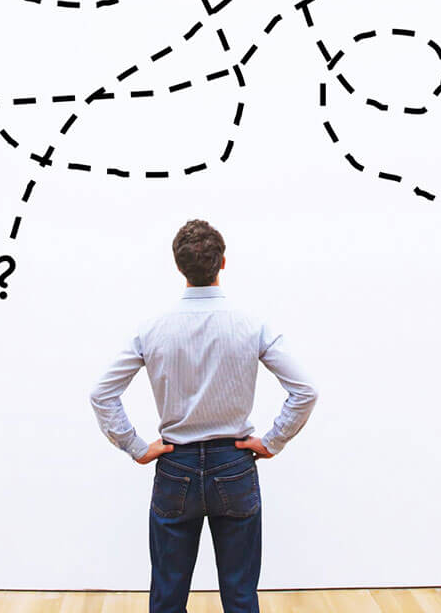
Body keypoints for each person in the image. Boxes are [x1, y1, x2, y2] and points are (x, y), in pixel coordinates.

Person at [89, 218, 319, 613]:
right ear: (223, 263)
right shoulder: (251, 324)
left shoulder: (153, 329)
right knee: (241, 595)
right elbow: (305, 390)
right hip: (234, 464)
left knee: (167, 595)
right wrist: (272, 441)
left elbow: (102, 394)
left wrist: (136, 447)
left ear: (179, 267)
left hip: (175, 466)